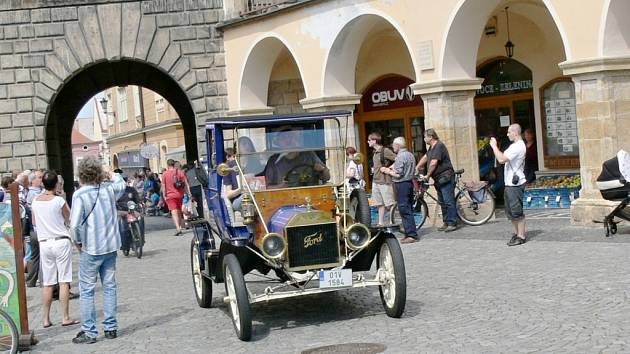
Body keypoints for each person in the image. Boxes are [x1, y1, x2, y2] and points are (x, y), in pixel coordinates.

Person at [70, 156, 126, 344]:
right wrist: (110, 172)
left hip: (92, 248)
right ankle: (110, 328)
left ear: (81, 174)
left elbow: (75, 224)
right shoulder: (108, 190)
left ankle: (90, 331)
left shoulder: (80, 195)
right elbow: (121, 183)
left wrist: (78, 243)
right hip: (110, 246)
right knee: (109, 287)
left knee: (87, 290)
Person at [31, 171, 80, 329]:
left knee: (48, 282)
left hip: (44, 242)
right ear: (56, 184)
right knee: (64, 280)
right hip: (60, 240)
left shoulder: (35, 201)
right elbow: (69, 219)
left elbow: (34, 221)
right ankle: (65, 316)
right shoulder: (58, 201)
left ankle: (45, 318)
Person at [489, 124, 527, 246]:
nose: (507, 134)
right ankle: (517, 234)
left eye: (509, 132)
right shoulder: (515, 146)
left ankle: (521, 236)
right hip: (510, 183)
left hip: (515, 185)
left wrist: (494, 146)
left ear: (515, 133)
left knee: (516, 211)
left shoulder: (518, 147)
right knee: (511, 212)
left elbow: (501, 159)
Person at [415, 129, 457, 232]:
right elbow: (426, 157)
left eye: (425, 136)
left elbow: (433, 163)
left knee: (448, 201)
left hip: (445, 177)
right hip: (439, 178)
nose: (424, 139)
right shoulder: (431, 148)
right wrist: (417, 167)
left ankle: (452, 222)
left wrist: (428, 175)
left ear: (431, 137)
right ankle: (446, 222)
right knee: (442, 201)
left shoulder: (439, 146)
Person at [262, 126, 330, 188]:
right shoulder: (273, 161)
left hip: (310, 194)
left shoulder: (308, 154)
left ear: (295, 139)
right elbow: (267, 187)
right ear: (278, 142)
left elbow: (327, 177)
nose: (288, 140)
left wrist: (322, 170)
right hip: (284, 196)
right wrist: (281, 186)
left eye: (290, 137)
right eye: (283, 138)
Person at [381, 137, 418, 243]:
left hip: (402, 184)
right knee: (408, 209)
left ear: (397, 146)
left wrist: (387, 171)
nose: (393, 147)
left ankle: (411, 235)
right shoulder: (410, 155)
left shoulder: (400, 157)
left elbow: (398, 173)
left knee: (404, 210)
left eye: (393, 145)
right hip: (409, 183)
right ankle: (410, 233)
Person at [368, 132, 397, 226]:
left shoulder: (385, 151)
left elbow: (398, 159)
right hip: (376, 181)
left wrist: (389, 168)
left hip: (384, 181)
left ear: (374, 141)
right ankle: (381, 222)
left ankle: (392, 221)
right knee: (379, 203)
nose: (367, 142)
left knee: (390, 204)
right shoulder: (375, 152)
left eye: (369, 140)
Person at [113, 169, 143, 256]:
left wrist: (140, 203)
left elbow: (137, 199)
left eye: (125, 180)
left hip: (132, 210)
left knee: (141, 219)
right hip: (121, 210)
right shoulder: (115, 191)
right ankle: (124, 245)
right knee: (122, 225)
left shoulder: (131, 190)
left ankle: (140, 240)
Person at [161, 159, 193, 236]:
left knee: (174, 211)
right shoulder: (180, 172)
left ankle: (178, 228)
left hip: (170, 195)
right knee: (178, 210)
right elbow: (185, 184)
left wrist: (164, 195)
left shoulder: (165, 174)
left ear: (168, 165)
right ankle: (179, 226)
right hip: (179, 194)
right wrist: (189, 193)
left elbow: (163, 186)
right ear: (174, 164)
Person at [25, 169, 44, 288]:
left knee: (34, 256)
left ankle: (31, 281)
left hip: (34, 229)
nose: (42, 179)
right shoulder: (34, 194)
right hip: (36, 229)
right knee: (37, 256)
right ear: (33, 181)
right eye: (40, 177)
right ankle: (39, 280)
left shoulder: (36, 192)